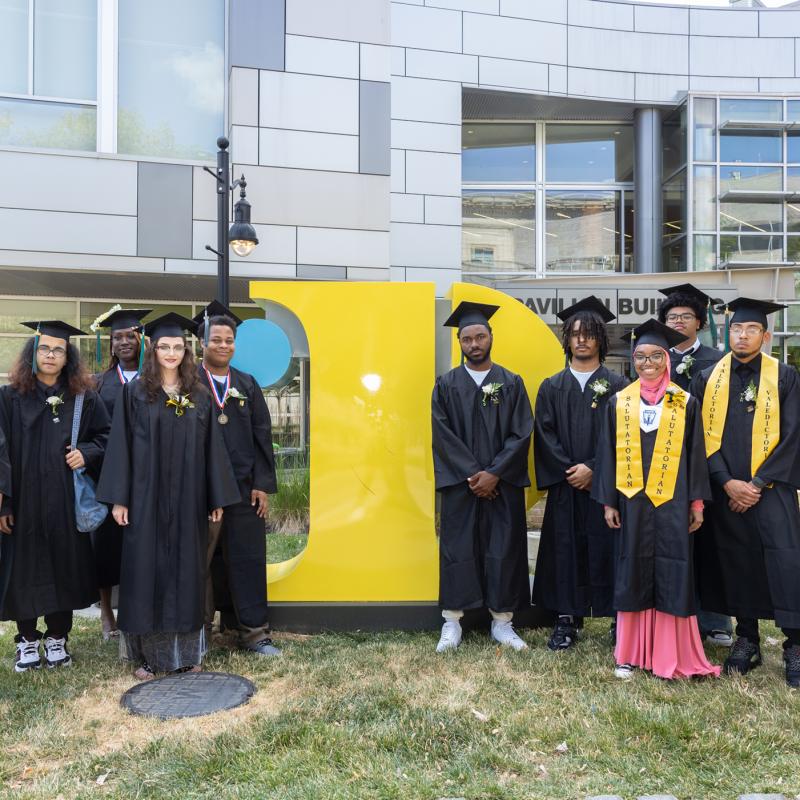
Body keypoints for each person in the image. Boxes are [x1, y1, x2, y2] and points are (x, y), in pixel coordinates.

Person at [96, 313, 239, 679]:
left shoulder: (200, 396)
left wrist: (216, 498)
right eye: (164, 347)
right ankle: (148, 657)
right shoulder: (136, 393)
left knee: (188, 574)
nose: (171, 353)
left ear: (186, 351)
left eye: (178, 347)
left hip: (189, 501)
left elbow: (212, 451)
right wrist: (119, 498)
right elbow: (121, 448)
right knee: (146, 574)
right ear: (153, 350)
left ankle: (187, 655)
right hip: (145, 500)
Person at [592, 319, 719, 681]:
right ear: (633, 360)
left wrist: (697, 504)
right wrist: (609, 502)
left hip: (674, 503)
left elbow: (696, 456)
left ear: (667, 359)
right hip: (631, 503)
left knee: (673, 568)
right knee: (631, 568)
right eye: (641, 357)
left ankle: (670, 651)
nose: (647, 364)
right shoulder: (619, 401)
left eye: (655, 357)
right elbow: (607, 454)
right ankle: (629, 654)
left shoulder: (685, 402)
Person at [692, 298, 800, 687]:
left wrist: (756, 484)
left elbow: (793, 435)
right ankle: (747, 638)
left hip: (772, 491)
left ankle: (794, 643)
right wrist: (725, 481)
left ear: (765, 336)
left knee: (785, 562)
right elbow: (701, 436)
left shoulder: (785, 377)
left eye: (751, 329)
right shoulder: (708, 378)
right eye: (737, 329)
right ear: (728, 334)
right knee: (737, 561)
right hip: (727, 491)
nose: (742, 335)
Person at [0, 321, 110, 672]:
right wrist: (5, 501)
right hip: (24, 501)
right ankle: (28, 641)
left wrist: (87, 453)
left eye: (58, 350)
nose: (50, 355)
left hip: (64, 500)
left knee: (64, 567)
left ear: (68, 357)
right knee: (24, 570)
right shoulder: (10, 397)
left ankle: (58, 637)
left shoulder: (84, 399)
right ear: (33, 352)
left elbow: (106, 438)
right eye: (45, 348)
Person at [431, 301, 533, 653]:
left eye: (480, 336)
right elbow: (442, 435)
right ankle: (452, 622)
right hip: (463, 486)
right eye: (467, 339)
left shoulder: (511, 382)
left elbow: (522, 434)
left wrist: (495, 474)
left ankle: (503, 623)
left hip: (500, 486)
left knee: (503, 549)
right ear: (459, 342)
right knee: (457, 549)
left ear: (491, 337)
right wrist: (474, 476)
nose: (474, 344)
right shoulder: (446, 385)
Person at [533, 296, 627, 651]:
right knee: (565, 548)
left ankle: (617, 618)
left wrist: (595, 469)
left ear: (600, 339)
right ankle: (566, 619)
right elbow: (544, 435)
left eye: (589, 334)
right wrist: (571, 470)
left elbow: (623, 437)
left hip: (604, 488)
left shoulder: (618, 387)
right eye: (575, 334)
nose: (582, 340)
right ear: (567, 340)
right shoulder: (551, 387)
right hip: (566, 486)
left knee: (609, 548)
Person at [194, 301, 280, 657]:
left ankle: (254, 633)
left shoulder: (246, 383)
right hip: (200, 492)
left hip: (244, 490)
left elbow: (263, 434)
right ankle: (197, 633)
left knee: (247, 558)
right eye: (216, 340)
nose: (224, 345)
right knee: (199, 562)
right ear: (203, 343)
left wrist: (261, 484)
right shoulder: (189, 383)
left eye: (229, 340)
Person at [658, 283, 733, 648]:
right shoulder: (655, 359)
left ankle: (716, 620)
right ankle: (672, 614)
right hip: (665, 465)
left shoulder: (719, 360)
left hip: (707, 461)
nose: (678, 322)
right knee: (672, 540)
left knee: (710, 540)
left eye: (685, 317)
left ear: (700, 322)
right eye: (672, 317)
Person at [91, 307, 152, 641]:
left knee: (140, 544)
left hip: (147, 476)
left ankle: (138, 607)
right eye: (118, 337)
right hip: (109, 476)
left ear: (142, 340)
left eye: (131, 335)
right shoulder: (98, 384)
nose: (125, 341)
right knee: (107, 546)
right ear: (110, 344)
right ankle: (105, 612)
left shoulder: (156, 380)